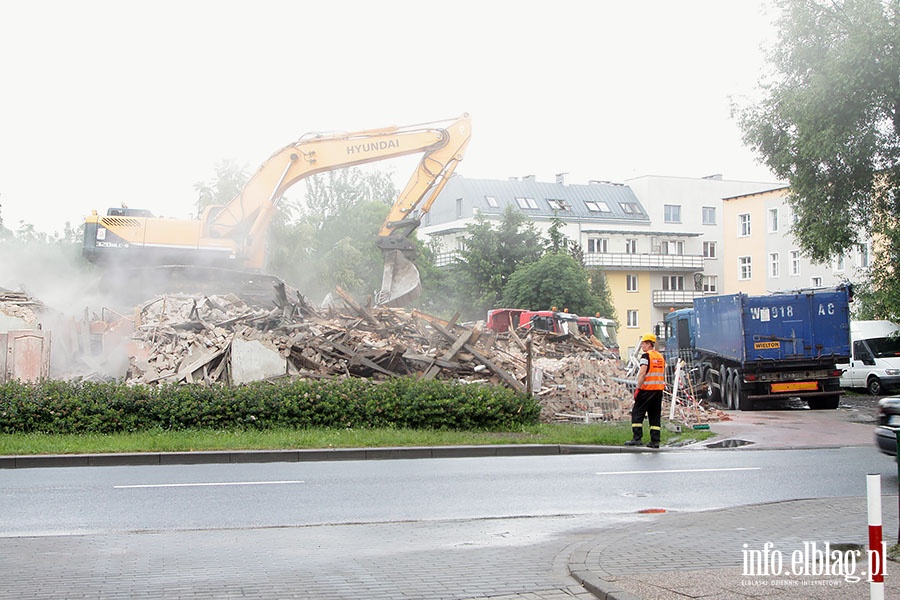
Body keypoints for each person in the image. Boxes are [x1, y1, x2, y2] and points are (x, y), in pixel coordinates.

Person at [625, 333, 666, 448]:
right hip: (658, 390)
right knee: (654, 415)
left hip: (646, 389)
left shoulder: (646, 356)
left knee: (637, 413)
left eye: (643, 343)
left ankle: (637, 438)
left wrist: (638, 388)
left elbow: (642, 373)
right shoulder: (660, 357)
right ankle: (655, 440)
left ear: (649, 344)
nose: (642, 345)